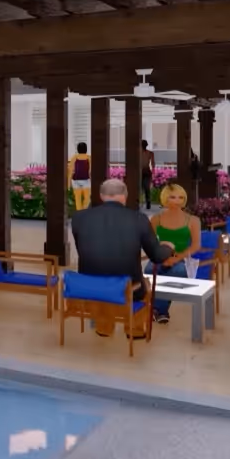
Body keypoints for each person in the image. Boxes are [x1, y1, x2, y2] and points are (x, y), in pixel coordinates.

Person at [70, 178, 174, 335]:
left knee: (102, 271)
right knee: (142, 283)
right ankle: (135, 330)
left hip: (89, 285)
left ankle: (104, 327)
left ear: (100, 195)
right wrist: (168, 247)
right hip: (126, 289)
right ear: (125, 195)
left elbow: (83, 249)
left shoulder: (79, 218)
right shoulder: (138, 219)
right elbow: (157, 256)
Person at [147, 182, 201, 324]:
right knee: (149, 270)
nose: (177, 201)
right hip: (159, 256)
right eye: (172, 197)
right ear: (165, 198)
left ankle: (158, 309)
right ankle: (160, 311)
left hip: (182, 259)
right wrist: (161, 256)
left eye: (180, 198)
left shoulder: (193, 220)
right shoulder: (156, 219)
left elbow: (196, 246)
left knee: (175, 272)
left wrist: (175, 259)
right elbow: (151, 242)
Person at [70, 142, 93, 211]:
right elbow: (91, 170)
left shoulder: (74, 157)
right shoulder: (89, 157)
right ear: (86, 149)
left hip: (75, 180)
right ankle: (84, 211)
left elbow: (71, 170)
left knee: (78, 198)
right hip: (86, 180)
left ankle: (79, 212)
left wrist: (69, 183)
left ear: (78, 149)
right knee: (87, 198)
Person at [139, 140, 156, 208]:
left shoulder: (150, 153)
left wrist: (153, 171)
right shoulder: (139, 153)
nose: (144, 146)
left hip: (146, 171)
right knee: (142, 187)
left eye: (144, 144)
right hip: (141, 171)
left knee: (146, 187)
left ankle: (148, 201)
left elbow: (153, 163)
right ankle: (141, 201)